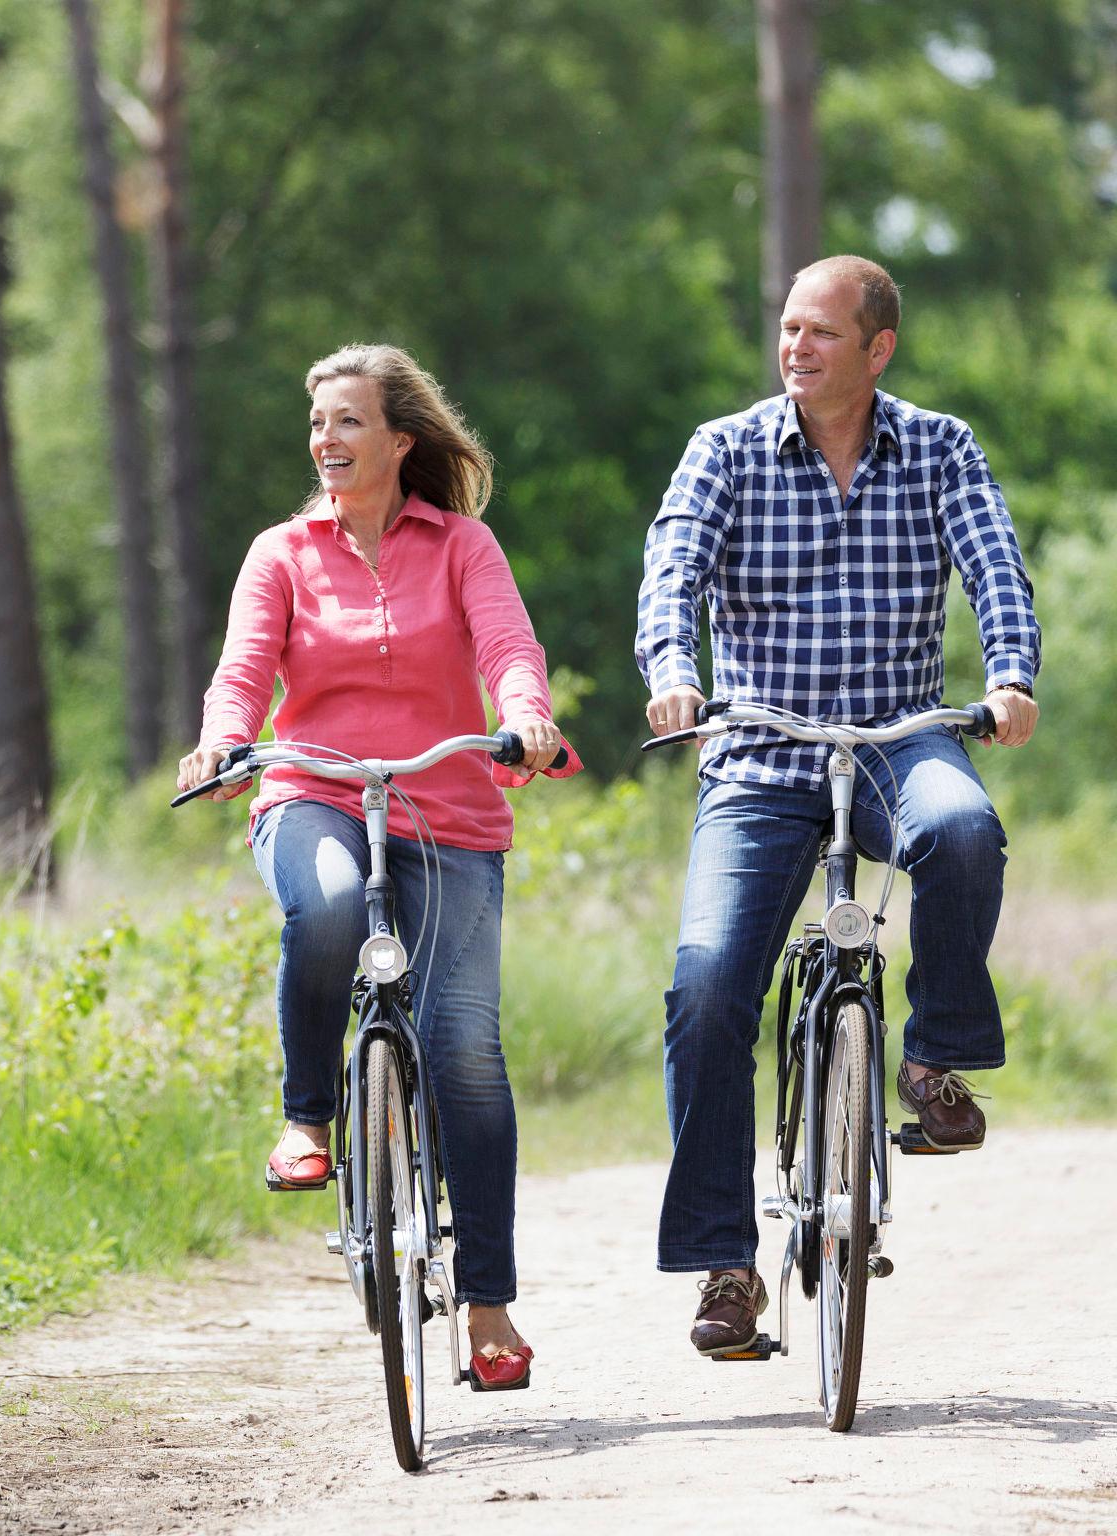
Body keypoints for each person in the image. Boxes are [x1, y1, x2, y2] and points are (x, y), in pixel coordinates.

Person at [635, 255, 1041, 1357]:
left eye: (820, 332)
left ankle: (930, 1058)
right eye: (786, 329)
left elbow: (994, 565)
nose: (795, 348)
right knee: (708, 982)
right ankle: (725, 1264)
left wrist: (1008, 676)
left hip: (895, 741)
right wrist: (671, 668)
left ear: (876, 350)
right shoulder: (722, 449)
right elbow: (670, 570)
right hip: (759, 754)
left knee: (960, 829)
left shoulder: (941, 447)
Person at [175, 342, 573, 1390]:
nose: (325, 440)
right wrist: (223, 741)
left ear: (399, 439)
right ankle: (308, 1114)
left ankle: (486, 1306)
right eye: (317, 423)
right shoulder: (280, 553)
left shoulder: (461, 547)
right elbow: (242, 670)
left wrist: (524, 715)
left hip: (445, 807)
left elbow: (505, 649)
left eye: (347, 421)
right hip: (312, 794)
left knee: (465, 1055)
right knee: (328, 908)